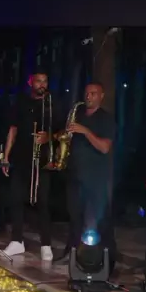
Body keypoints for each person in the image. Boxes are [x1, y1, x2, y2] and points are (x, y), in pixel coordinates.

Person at [1, 68, 62, 260]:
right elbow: (13, 130)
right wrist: (6, 156)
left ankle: (46, 244)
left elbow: (64, 132)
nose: (42, 85)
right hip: (21, 158)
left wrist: (48, 137)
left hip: (43, 160)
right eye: (38, 81)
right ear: (30, 82)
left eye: (45, 81)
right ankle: (17, 241)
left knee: (43, 202)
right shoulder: (21, 102)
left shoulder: (52, 104)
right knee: (16, 199)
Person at [63, 82, 116, 264]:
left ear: (101, 96)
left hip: (95, 178)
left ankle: (103, 259)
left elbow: (104, 147)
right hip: (75, 175)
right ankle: (72, 253)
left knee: (97, 221)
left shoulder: (106, 119)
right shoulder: (78, 115)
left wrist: (85, 131)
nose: (88, 97)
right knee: (75, 217)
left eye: (93, 93)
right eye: (87, 93)